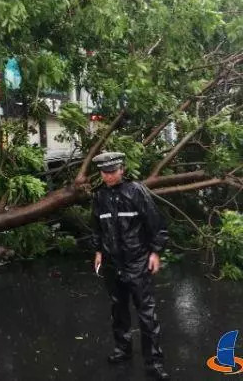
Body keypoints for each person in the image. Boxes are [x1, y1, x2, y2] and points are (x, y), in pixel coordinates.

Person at [91, 151, 170, 380]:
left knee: (146, 313)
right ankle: (122, 349)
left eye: (112, 172)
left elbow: (156, 223)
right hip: (111, 262)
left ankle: (154, 362)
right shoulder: (99, 196)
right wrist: (98, 251)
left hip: (137, 260)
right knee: (118, 309)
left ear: (122, 170)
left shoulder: (136, 191)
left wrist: (155, 252)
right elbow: (96, 226)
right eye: (104, 173)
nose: (108, 177)